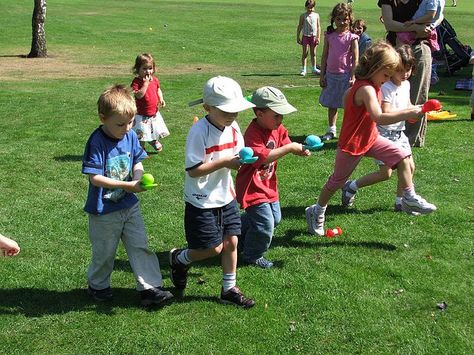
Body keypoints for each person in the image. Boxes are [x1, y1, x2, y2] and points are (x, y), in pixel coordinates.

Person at [305, 41, 437, 236]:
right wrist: (408, 112)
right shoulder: (366, 89)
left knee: (402, 156)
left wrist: (413, 110)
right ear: (374, 68)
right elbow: (379, 117)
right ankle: (316, 211)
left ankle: (408, 197)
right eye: (386, 74)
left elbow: (349, 100)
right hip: (352, 144)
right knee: (336, 181)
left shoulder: (370, 85)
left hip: (370, 138)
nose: (388, 79)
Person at [82, 84, 173, 306]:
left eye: (130, 122)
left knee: (140, 244)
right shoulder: (97, 141)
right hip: (104, 210)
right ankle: (98, 285)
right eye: (120, 124)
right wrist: (126, 184)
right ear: (103, 118)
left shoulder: (130, 135)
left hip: (129, 205)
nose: (126, 128)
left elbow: (137, 161)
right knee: (105, 252)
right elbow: (94, 178)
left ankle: (150, 288)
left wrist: (138, 178)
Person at [169, 76, 256, 308]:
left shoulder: (233, 127)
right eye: (226, 110)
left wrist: (245, 161)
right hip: (201, 199)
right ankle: (179, 258)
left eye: (235, 111)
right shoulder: (199, 132)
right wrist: (226, 162)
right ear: (207, 107)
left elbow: (238, 155)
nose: (232, 116)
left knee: (232, 242)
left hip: (225, 195)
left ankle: (228, 289)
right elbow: (194, 170)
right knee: (211, 248)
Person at [235, 87, 311, 269]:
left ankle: (235, 228)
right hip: (252, 186)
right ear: (259, 113)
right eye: (276, 115)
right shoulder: (253, 133)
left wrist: (300, 150)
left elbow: (285, 141)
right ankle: (252, 255)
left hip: (267, 183)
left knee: (275, 219)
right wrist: (290, 148)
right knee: (265, 224)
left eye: (281, 116)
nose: (280, 120)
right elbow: (264, 157)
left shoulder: (277, 128)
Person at [341, 45, 417, 212]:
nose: (404, 74)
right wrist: (408, 113)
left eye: (408, 70)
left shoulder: (406, 85)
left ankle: (400, 202)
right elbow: (385, 113)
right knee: (386, 174)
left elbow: (408, 105)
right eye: (400, 70)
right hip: (385, 133)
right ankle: (351, 186)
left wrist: (416, 111)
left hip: (399, 133)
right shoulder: (385, 86)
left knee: (409, 167)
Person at [378, 0, 434, 147]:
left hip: (419, 47)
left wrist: (408, 28)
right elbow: (389, 24)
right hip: (394, 49)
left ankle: (412, 139)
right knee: (389, 91)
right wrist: (415, 27)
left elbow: (432, 17)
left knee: (418, 94)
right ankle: (386, 134)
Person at [318, 3, 359, 142]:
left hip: (346, 76)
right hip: (331, 75)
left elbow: (356, 59)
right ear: (334, 19)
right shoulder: (330, 36)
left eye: (344, 19)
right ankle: (331, 130)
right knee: (332, 104)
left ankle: (348, 132)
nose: (341, 22)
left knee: (348, 106)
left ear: (349, 19)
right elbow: (324, 56)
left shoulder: (352, 37)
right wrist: (322, 74)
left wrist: (353, 76)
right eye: (338, 19)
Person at [131, 53, 169, 153]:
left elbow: (158, 89)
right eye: (144, 69)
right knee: (142, 133)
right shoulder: (137, 82)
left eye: (150, 68)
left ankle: (153, 140)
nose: (148, 71)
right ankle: (141, 150)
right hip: (141, 114)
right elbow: (139, 95)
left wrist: (161, 99)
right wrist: (145, 84)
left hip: (153, 112)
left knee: (153, 129)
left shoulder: (155, 80)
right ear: (137, 69)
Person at [296, 0, 321, 76]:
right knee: (305, 53)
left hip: (313, 36)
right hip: (305, 36)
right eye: (308, 7)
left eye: (311, 7)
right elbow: (300, 26)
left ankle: (314, 68)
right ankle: (304, 69)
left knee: (313, 53)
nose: (310, 9)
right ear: (306, 7)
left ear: (314, 7)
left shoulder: (316, 15)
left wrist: (318, 37)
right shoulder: (303, 16)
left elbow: (318, 26)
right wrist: (298, 36)